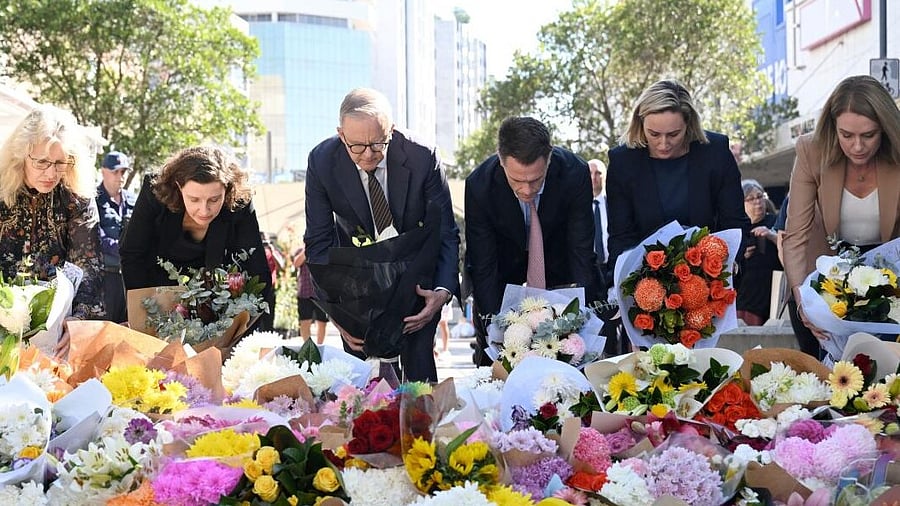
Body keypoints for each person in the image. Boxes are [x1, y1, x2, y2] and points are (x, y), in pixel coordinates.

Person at [304, 87, 459, 382]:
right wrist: (338, 316)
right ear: (341, 134)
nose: (367, 155)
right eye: (356, 146)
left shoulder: (422, 156)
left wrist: (441, 292)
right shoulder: (322, 161)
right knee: (361, 386)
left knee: (419, 381)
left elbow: (446, 232)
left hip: (417, 279)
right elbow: (319, 242)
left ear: (392, 130)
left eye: (378, 144)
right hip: (357, 284)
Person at [465, 116, 598, 366]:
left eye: (535, 180)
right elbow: (484, 263)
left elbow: (581, 250)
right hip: (503, 272)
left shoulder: (574, 172)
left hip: (559, 266)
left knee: (572, 354)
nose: (527, 190)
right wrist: (497, 328)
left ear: (549, 159)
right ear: (501, 161)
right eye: (517, 181)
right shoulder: (479, 185)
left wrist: (582, 317)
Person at [783, 75, 900, 351]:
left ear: (885, 129)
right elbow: (796, 236)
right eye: (846, 135)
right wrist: (804, 303)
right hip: (821, 281)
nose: (857, 147)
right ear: (832, 128)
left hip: (891, 281)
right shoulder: (811, 150)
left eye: (868, 135)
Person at [606, 79, 750, 278]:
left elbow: (734, 222)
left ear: (689, 124)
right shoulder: (623, 161)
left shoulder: (715, 152)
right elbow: (621, 237)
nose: (663, 144)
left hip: (710, 275)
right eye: (654, 134)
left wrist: (727, 264)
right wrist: (622, 285)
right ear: (640, 124)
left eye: (674, 134)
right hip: (645, 280)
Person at [119, 145, 274, 329]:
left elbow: (257, 269)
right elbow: (132, 255)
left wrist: (251, 336)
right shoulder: (155, 192)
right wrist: (144, 315)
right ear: (178, 186)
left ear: (228, 190)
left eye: (214, 199)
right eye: (194, 199)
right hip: (156, 296)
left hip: (216, 307)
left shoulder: (239, 201)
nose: (204, 210)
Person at [0, 105, 105, 354]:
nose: (51, 173)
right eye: (42, 162)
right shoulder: (3, 190)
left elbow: (88, 263)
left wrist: (80, 319)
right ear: (21, 155)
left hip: (55, 324)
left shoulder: (76, 195)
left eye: (60, 163)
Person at [96, 151, 136, 323]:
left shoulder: (134, 200)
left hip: (130, 278)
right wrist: (125, 249)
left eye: (123, 172)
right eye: (115, 172)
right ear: (103, 171)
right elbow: (96, 237)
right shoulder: (93, 200)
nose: (120, 177)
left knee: (130, 329)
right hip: (105, 279)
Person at [735, 179, 782, 326]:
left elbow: (790, 248)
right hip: (743, 296)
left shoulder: (775, 222)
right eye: (750, 199)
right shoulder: (738, 228)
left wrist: (772, 236)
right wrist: (741, 257)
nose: (757, 202)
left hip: (770, 293)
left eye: (760, 197)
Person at [292, 244, 328, 344]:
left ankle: (319, 347)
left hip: (321, 294)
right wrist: (306, 249)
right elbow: (296, 264)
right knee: (304, 321)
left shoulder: (323, 250)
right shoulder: (300, 251)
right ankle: (307, 347)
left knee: (322, 322)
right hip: (305, 292)